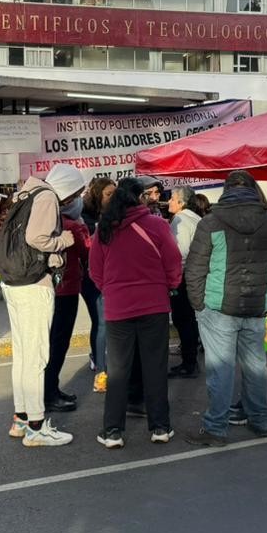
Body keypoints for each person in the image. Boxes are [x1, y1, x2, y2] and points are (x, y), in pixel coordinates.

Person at [183, 170, 267, 445]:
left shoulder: (210, 223)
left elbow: (194, 269)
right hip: (258, 306)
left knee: (221, 370)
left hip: (218, 308)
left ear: (226, 190)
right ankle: (261, 420)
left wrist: (199, 304)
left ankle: (216, 428)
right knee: (256, 367)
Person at [0, 162, 86, 448]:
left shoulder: (27, 192)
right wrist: (65, 239)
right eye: (75, 193)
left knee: (23, 355)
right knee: (37, 357)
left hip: (13, 282)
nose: (73, 200)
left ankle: (21, 419)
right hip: (34, 284)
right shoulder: (47, 196)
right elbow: (38, 238)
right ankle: (36, 426)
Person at [91, 177, 182, 448]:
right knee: (155, 367)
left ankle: (113, 432)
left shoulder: (104, 229)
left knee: (118, 371)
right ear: (139, 199)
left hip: (118, 308)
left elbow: (96, 272)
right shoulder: (157, 225)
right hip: (154, 305)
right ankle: (160, 428)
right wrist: (171, 285)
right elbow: (173, 261)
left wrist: (112, 290)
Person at [46, 194, 90, 412]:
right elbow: (87, 252)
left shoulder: (50, 222)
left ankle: (49, 388)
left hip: (49, 289)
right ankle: (50, 392)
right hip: (68, 288)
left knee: (49, 341)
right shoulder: (74, 226)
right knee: (59, 342)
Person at [80, 176, 115, 390]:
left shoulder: (115, 213)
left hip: (110, 274)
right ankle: (102, 371)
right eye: (108, 194)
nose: (112, 198)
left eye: (114, 194)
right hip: (91, 276)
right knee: (101, 321)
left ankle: (98, 356)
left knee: (102, 321)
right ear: (98, 195)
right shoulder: (85, 216)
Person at [167, 186, 203, 378]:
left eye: (172, 198)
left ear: (181, 203)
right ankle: (190, 360)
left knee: (183, 320)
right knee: (189, 319)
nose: (169, 202)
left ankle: (189, 363)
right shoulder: (197, 219)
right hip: (195, 275)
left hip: (182, 277)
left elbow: (179, 254)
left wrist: (173, 279)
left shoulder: (180, 220)